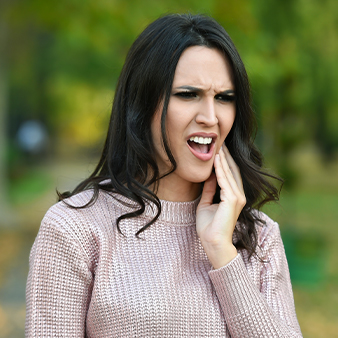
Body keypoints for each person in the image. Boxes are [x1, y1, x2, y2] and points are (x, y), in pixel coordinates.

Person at [25, 13, 303, 337]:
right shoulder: (74, 229)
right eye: (188, 94)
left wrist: (222, 252)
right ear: (142, 104)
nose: (211, 117)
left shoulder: (259, 237)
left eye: (224, 98)